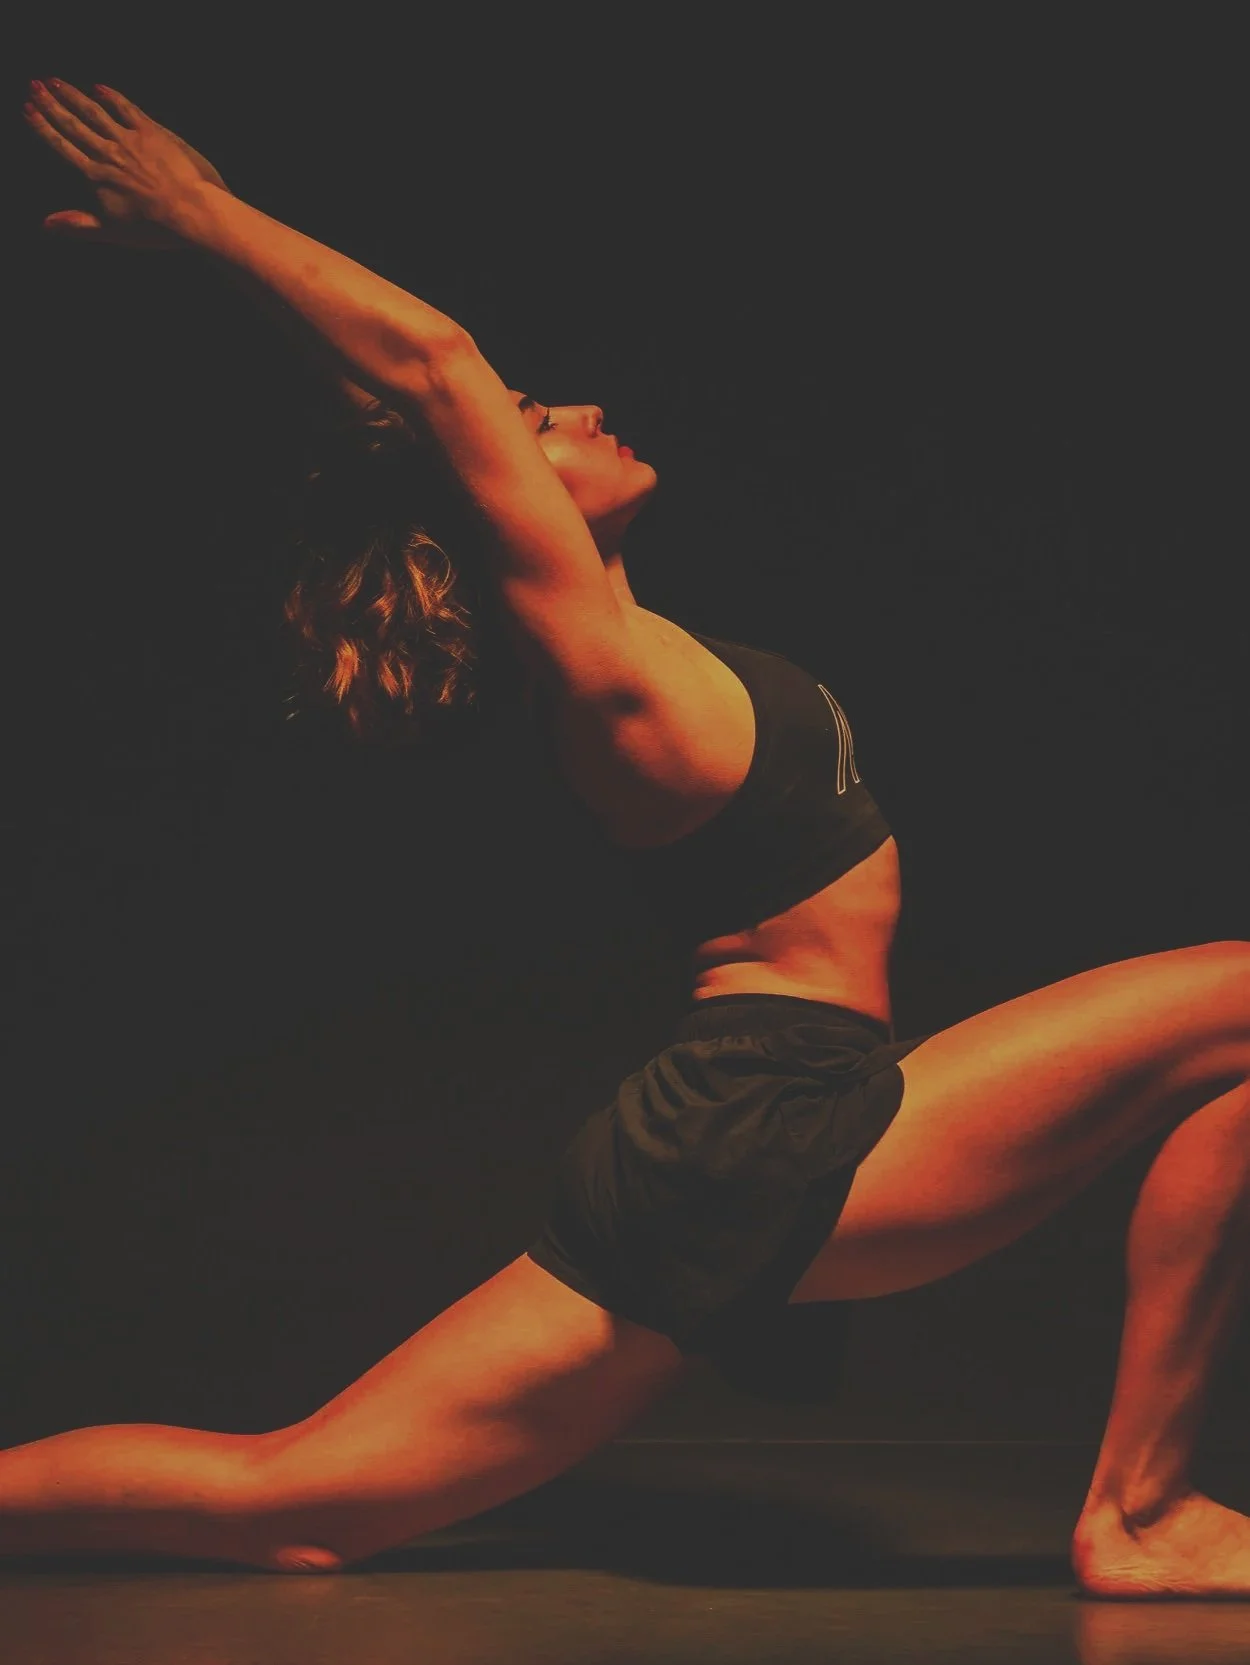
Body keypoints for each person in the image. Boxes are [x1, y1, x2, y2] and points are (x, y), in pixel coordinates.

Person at [9, 77, 1248, 1598]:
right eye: (539, 424)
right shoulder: (595, 665)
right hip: (771, 1127)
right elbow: (436, 366)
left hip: (710, 1152)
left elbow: (413, 407)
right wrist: (205, 218)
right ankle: (1136, 1517)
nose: (579, 411)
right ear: (496, 495)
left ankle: (1144, 1507)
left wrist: (363, 395)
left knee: (301, 1501)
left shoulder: (629, 643)